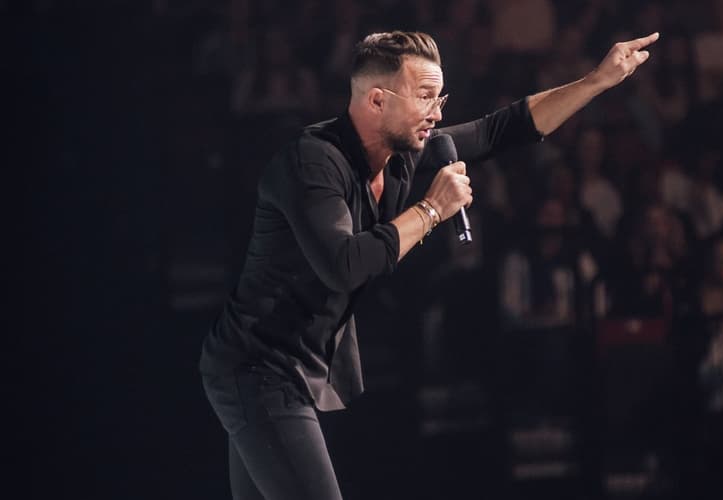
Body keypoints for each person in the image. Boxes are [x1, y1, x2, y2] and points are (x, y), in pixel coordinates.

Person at [199, 29, 659, 500]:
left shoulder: (401, 154)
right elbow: (344, 265)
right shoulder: (313, 163)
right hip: (257, 367)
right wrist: (431, 210)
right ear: (377, 100)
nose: (437, 113)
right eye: (424, 97)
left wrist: (595, 82)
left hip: (288, 366)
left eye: (440, 97)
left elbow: (500, 129)